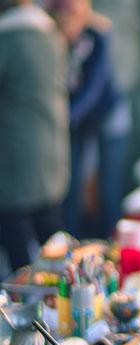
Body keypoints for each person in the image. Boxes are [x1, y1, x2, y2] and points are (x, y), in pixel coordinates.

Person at [47, 0, 131, 239]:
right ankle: (71, 241)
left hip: (107, 114)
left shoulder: (97, 36)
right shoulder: (56, 41)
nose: (67, 23)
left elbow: (94, 86)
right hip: (77, 119)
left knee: (108, 186)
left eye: (71, 15)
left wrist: (64, 117)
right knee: (70, 183)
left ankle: (111, 242)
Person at [0, 0, 69, 273]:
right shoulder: (51, 34)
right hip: (53, 144)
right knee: (51, 233)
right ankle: (62, 297)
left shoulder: (8, 37)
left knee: (16, 235)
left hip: (16, 149)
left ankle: (26, 303)